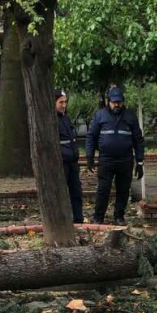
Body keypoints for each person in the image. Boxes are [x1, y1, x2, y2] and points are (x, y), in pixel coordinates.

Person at [85, 86, 144, 225]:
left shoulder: (130, 116)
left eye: (119, 102)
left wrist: (140, 162)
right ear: (109, 101)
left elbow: (138, 140)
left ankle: (119, 216)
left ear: (123, 101)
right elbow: (91, 137)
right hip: (106, 160)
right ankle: (98, 217)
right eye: (114, 102)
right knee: (103, 189)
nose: (117, 105)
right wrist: (89, 157)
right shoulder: (100, 115)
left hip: (125, 160)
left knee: (123, 190)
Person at [56, 89, 84, 224]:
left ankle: (78, 219)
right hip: (61, 163)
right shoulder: (51, 120)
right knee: (61, 194)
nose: (64, 105)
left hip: (72, 162)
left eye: (65, 102)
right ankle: (61, 221)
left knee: (76, 192)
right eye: (61, 102)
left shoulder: (66, 118)